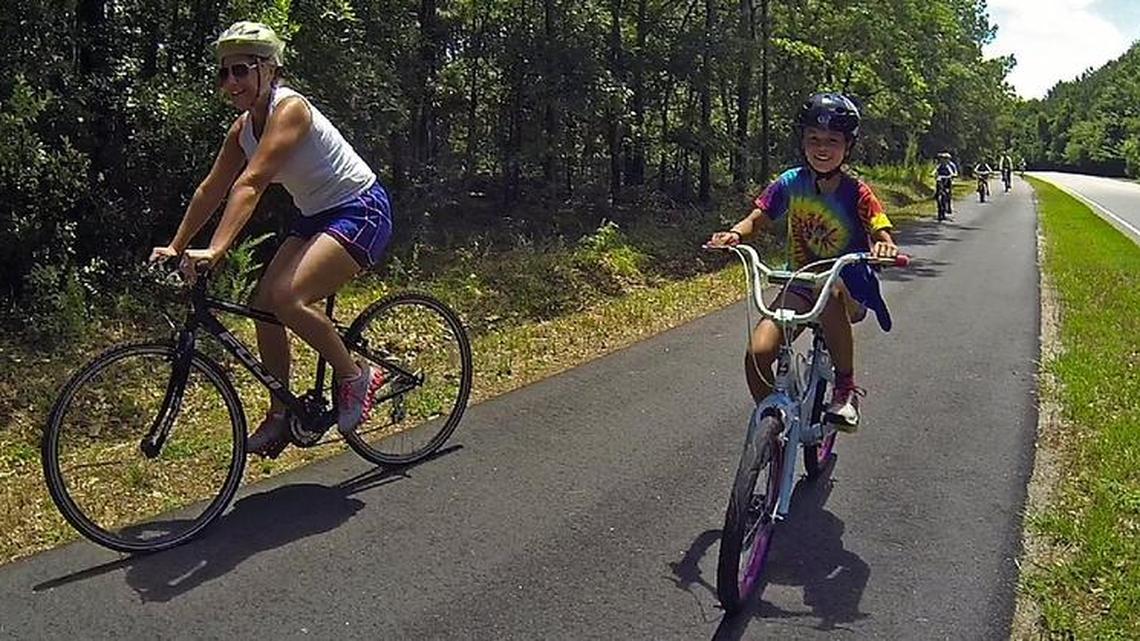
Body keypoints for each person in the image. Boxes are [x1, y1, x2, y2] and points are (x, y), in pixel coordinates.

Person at [149, 21, 394, 455]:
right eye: (223, 73)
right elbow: (212, 188)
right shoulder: (242, 130)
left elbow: (252, 181)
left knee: (287, 297)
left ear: (269, 69)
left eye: (240, 70)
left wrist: (218, 248)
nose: (230, 83)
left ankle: (356, 375)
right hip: (315, 216)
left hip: (361, 208)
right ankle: (281, 412)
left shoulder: (291, 109)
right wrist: (177, 244)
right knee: (265, 306)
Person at [707, 92, 899, 431]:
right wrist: (735, 234)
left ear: (848, 146)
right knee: (758, 355)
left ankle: (845, 388)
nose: (822, 148)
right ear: (802, 142)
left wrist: (884, 246)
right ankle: (775, 422)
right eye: (814, 139)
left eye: (832, 141)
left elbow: (880, 229)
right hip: (800, 283)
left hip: (847, 288)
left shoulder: (858, 193)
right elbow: (758, 217)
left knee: (831, 289)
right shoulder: (790, 183)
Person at [933, 151, 958, 218]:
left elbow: (952, 172)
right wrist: (933, 174)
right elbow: (935, 170)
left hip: (947, 180)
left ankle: (948, 203)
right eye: (942, 158)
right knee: (938, 187)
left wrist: (952, 175)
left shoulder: (950, 165)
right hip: (940, 180)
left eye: (945, 158)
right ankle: (937, 195)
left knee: (948, 192)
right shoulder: (939, 165)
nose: (943, 160)